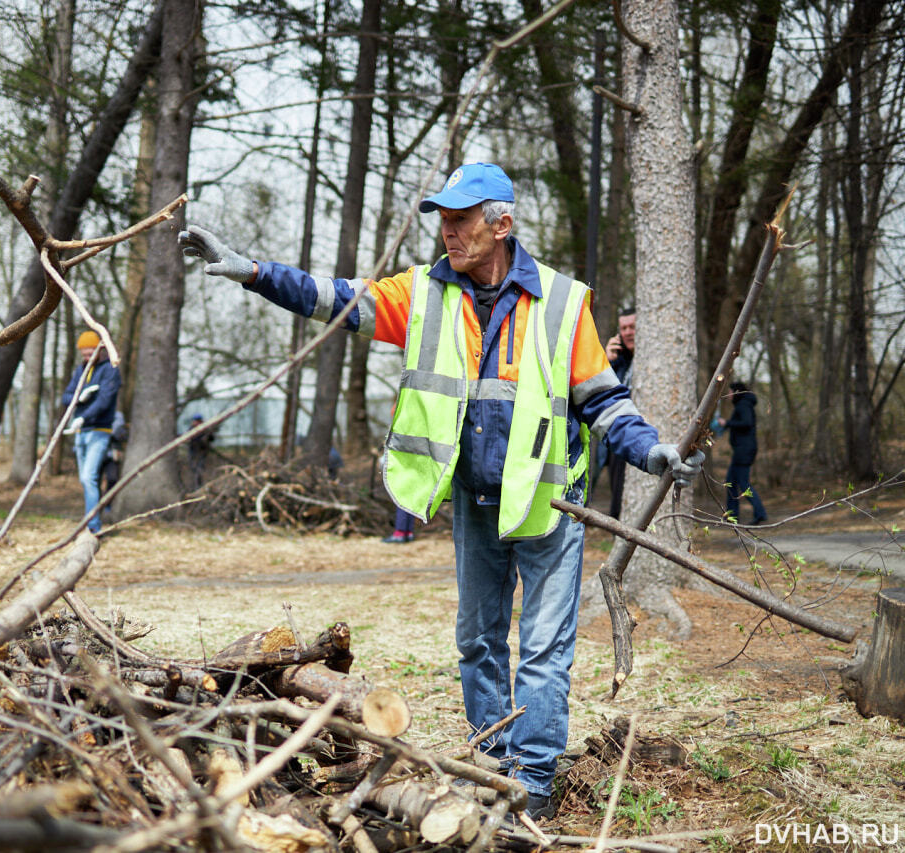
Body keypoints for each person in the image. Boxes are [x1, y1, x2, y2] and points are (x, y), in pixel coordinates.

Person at [178, 161, 703, 821]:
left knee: (542, 650)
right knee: (478, 640)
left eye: (461, 220)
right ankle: (491, 765)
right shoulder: (425, 292)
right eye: (444, 220)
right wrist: (254, 271)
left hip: (548, 508)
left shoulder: (564, 302)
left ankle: (533, 784)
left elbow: (604, 402)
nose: (449, 233)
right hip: (475, 504)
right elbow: (337, 297)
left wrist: (652, 450)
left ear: (501, 223)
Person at [61, 330, 120, 534]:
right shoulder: (81, 371)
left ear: (100, 350)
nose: (87, 358)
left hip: (99, 430)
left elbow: (105, 401)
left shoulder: (110, 370)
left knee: (89, 478)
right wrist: (79, 398)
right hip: (80, 431)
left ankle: (93, 526)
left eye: (90, 354)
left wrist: (84, 416)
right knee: (85, 480)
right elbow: (66, 396)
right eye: (84, 354)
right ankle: (90, 520)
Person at [601, 308, 636, 518]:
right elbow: (604, 394)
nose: (629, 332)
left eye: (633, 327)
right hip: (618, 437)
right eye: (624, 328)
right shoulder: (619, 362)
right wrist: (608, 362)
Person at [716, 381, 766, 525]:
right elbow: (737, 423)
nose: (729, 395)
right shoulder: (743, 405)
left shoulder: (744, 405)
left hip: (744, 451)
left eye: (731, 391)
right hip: (742, 450)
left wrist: (727, 423)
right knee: (731, 483)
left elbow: (746, 422)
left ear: (736, 391)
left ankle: (759, 513)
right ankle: (732, 517)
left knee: (742, 484)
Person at [99, 409, 128, 514]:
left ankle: (108, 505)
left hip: (112, 455)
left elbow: (119, 433)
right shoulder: (97, 412)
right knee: (94, 481)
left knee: (112, 479)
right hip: (97, 454)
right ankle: (97, 507)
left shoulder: (118, 415)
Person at [187, 413, 215, 489]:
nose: (197, 422)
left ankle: (199, 485)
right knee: (193, 468)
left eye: (198, 421)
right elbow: (189, 439)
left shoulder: (205, 429)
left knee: (200, 469)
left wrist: (207, 437)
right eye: (196, 421)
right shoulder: (191, 429)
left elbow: (212, 439)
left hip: (202, 452)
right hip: (193, 452)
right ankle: (193, 485)